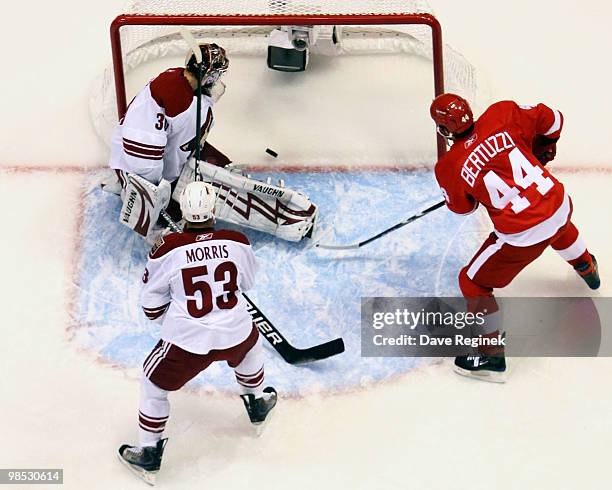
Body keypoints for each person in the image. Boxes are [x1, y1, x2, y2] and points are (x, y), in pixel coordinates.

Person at [430, 93, 600, 382]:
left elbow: (463, 208)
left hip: (523, 232)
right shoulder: (502, 113)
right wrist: (544, 147)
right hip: (558, 202)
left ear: (444, 130)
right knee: (555, 223)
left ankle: (490, 354)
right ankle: (587, 266)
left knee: (472, 282)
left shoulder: (448, 167)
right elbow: (553, 119)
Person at [118, 181, 277, 485]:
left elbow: (151, 304)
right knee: (251, 346)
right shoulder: (237, 241)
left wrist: (178, 320)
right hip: (235, 332)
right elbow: (247, 283)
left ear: (186, 212)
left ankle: (149, 452)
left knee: (153, 383)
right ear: (214, 209)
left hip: (189, 343)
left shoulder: (168, 248)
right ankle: (256, 402)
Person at [105, 43, 232, 239]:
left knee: (218, 163)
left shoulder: (176, 77)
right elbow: (145, 156)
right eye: (218, 74)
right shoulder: (184, 107)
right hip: (136, 169)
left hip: (144, 157)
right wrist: (159, 188)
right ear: (210, 75)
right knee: (162, 215)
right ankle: (132, 197)